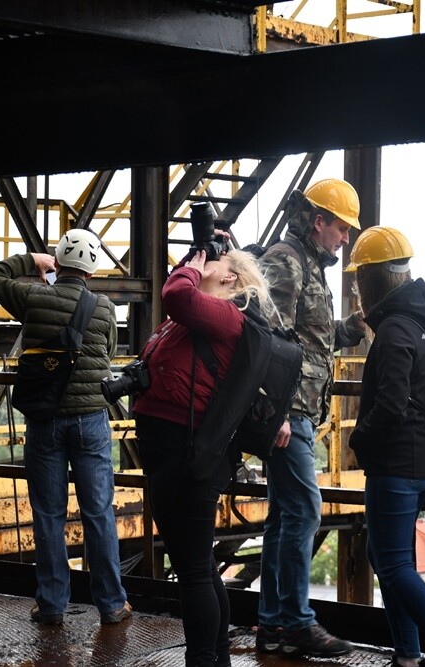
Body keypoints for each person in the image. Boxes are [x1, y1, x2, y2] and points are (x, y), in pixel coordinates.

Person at [0, 228, 131, 627]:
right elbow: (109, 355)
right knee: (98, 512)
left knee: (48, 513)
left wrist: (33, 260)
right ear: (93, 273)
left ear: (58, 263)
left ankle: (51, 605)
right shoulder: (103, 309)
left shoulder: (34, 297)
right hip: (91, 422)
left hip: (45, 421)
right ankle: (113, 604)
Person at [133, 247, 273, 667]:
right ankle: (218, 657)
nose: (201, 264)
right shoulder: (202, 316)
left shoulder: (229, 316)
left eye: (214, 262)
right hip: (169, 445)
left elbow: (175, 294)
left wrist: (186, 270)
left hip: (188, 450)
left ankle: (202, 660)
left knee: (193, 568)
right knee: (199, 564)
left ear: (230, 279)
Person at [255, 178, 366, 658]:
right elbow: (267, 338)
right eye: (341, 228)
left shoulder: (309, 265)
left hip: (300, 411)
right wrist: (274, 411)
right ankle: (296, 623)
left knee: (284, 516)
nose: (345, 239)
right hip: (289, 411)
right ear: (319, 221)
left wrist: (351, 328)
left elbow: (311, 336)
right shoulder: (286, 260)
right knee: (305, 510)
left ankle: (273, 626)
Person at [345, 227, 425, 667]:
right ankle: (407, 655)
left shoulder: (393, 330)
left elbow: (390, 406)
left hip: (398, 464)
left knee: (392, 566)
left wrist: (359, 439)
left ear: (370, 281)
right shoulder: (423, 324)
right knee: (387, 558)